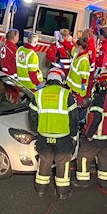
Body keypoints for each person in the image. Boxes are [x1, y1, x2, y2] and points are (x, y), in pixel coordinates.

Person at [31, 67, 78, 199]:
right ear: (61, 79)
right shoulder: (66, 95)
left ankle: (40, 190)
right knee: (62, 164)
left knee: (44, 162)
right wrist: (73, 133)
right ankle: (62, 192)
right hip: (62, 138)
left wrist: (36, 130)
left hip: (43, 137)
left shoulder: (38, 94)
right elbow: (73, 117)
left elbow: (32, 116)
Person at [75, 73, 107, 187]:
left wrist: (89, 134)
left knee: (84, 156)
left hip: (97, 136)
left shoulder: (100, 98)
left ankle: (83, 181)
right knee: (104, 157)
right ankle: (103, 180)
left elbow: (95, 118)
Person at [66, 37, 93, 125]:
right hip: (73, 88)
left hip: (78, 91)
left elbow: (84, 79)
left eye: (76, 46)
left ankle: (78, 124)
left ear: (80, 47)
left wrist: (82, 91)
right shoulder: (78, 54)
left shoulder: (84, 60)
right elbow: (71, 48)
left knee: (76, 110)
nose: (75, 47)